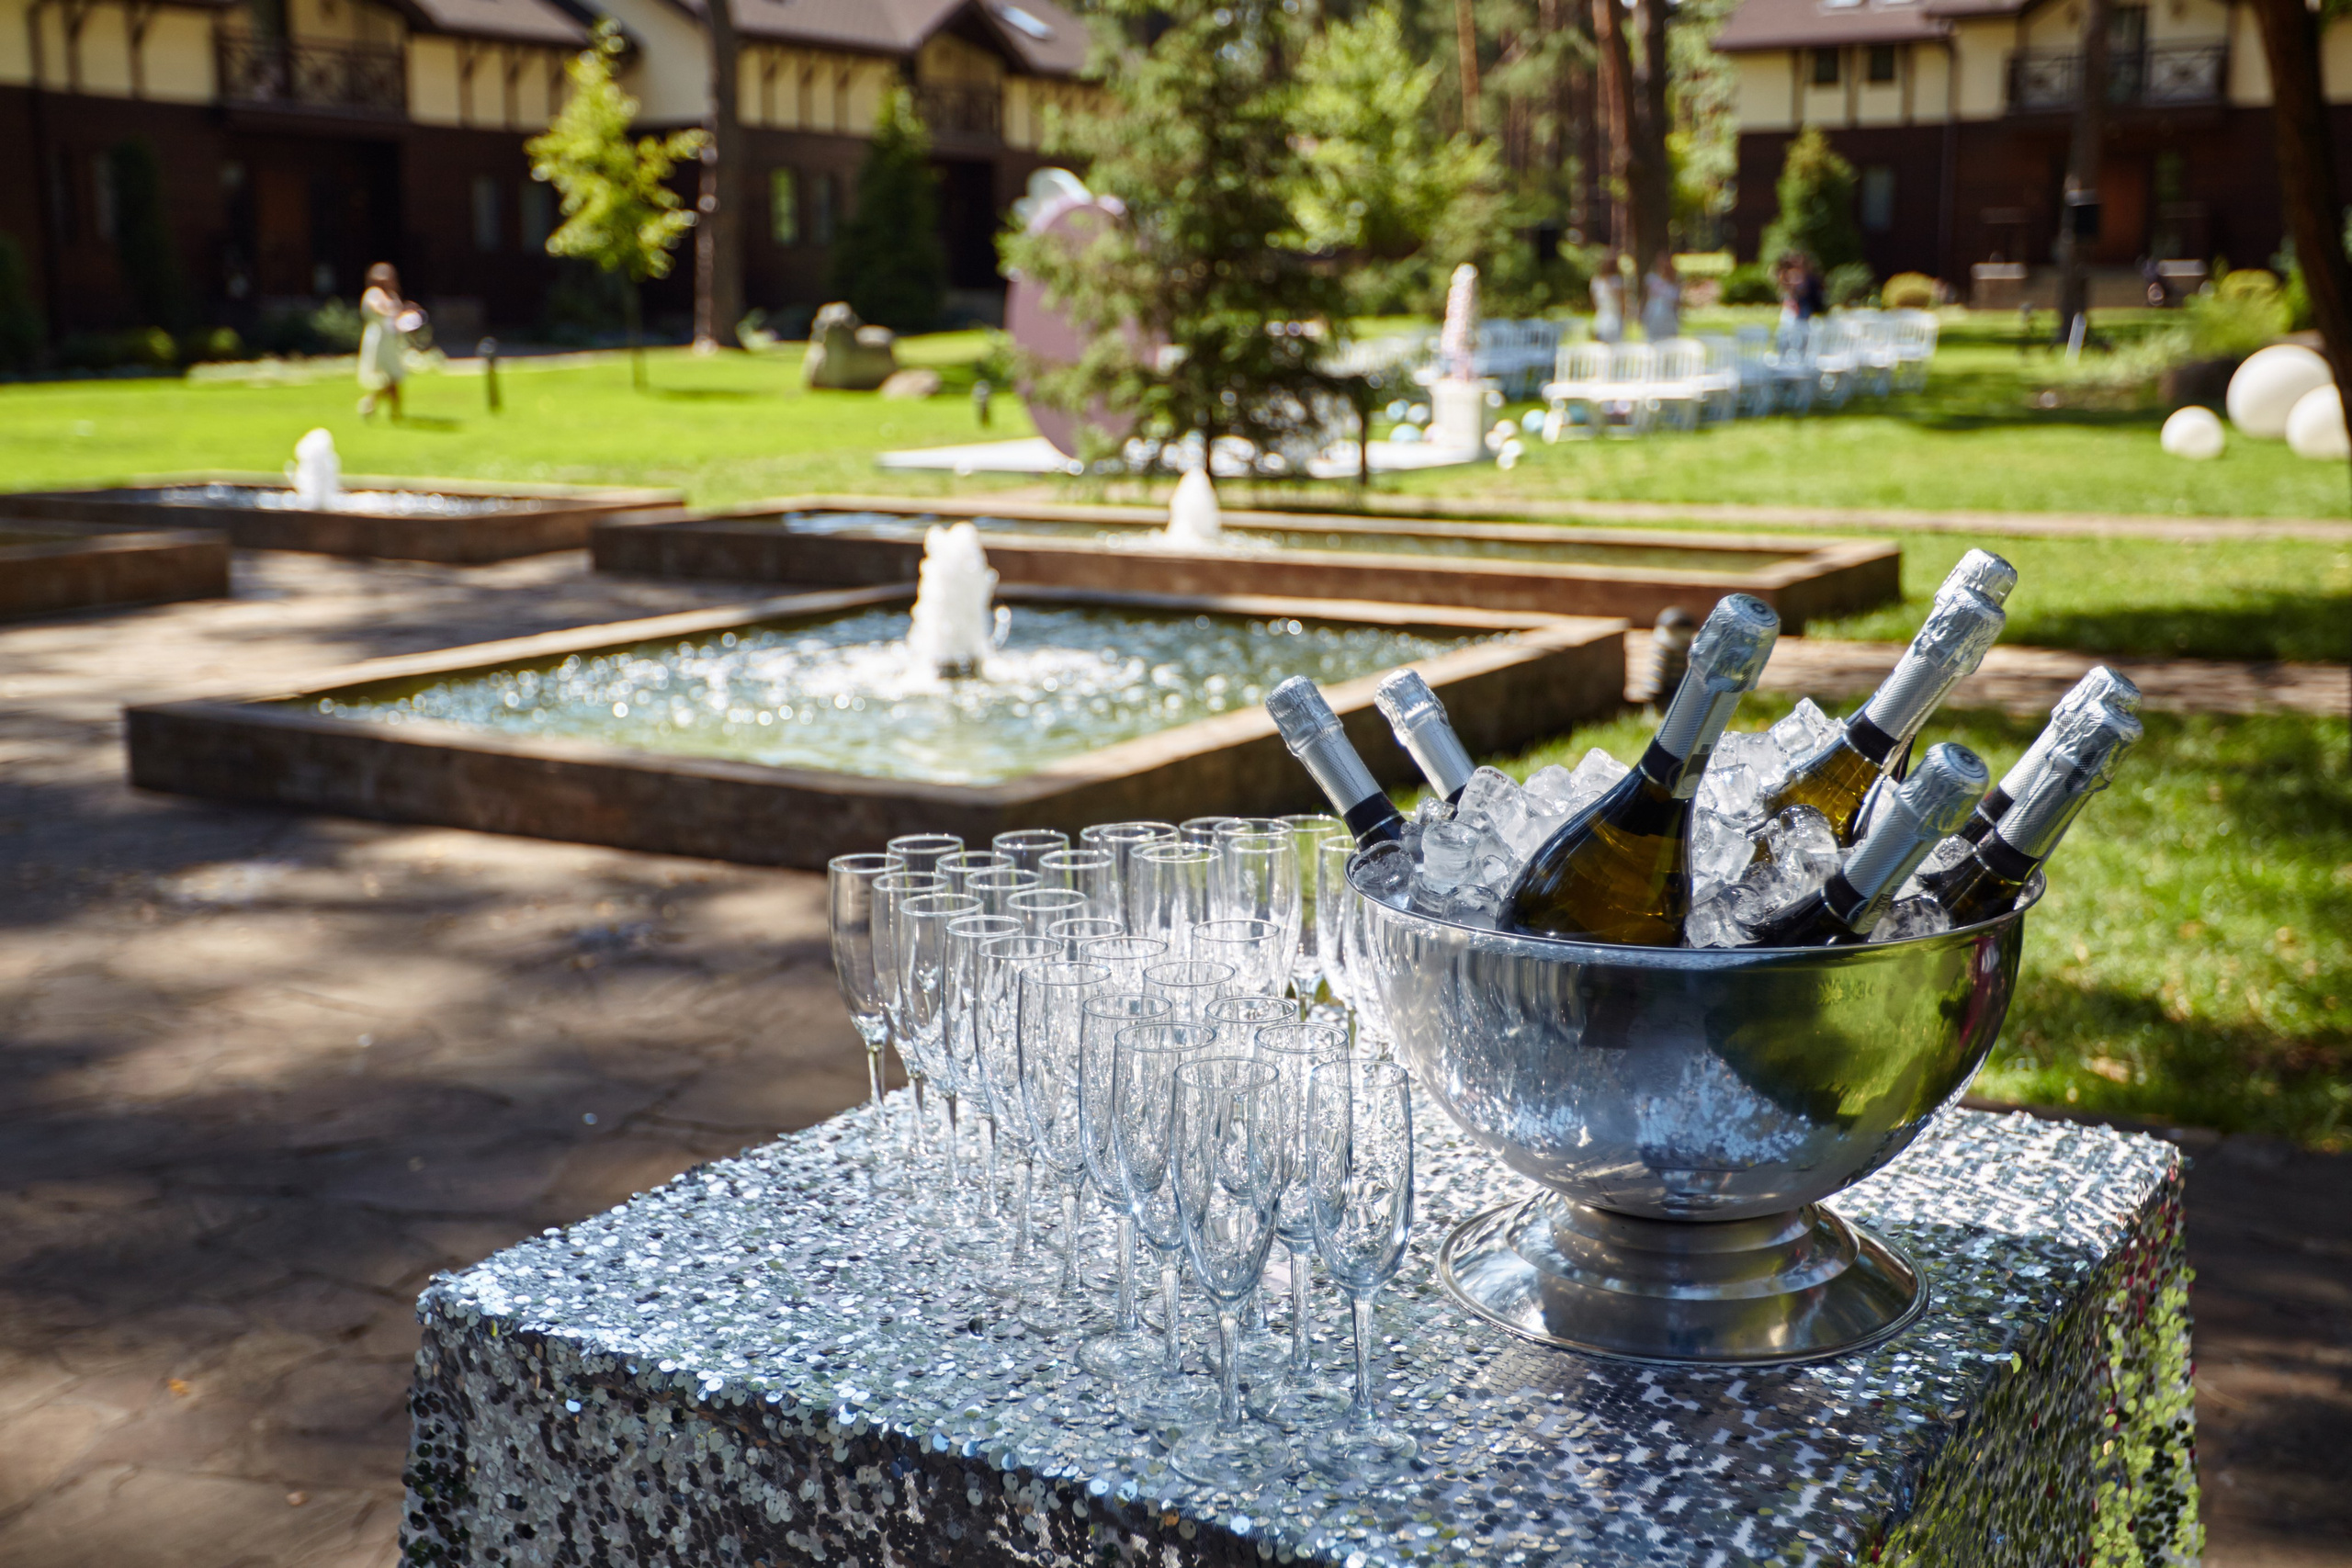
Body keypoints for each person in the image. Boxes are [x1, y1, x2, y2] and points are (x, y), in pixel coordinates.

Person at [357, 264, 424, 420]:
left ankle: (391, 410)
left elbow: (397, 317)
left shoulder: (393, 296)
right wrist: (393, 313)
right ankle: (374, 403)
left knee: (395, 376)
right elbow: (378, 310)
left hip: (392, 339)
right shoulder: (373, 294)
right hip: (379, 339)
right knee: (393, 376)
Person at [1641, 253, 1681, 344]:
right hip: (1653, 313)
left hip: (1668, 315)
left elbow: (1677, 301)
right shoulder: (1651, 278)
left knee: (1669, 341)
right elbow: (1645, 297)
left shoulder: (1675, 280)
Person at [1590, 253, 1625, 345]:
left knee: (1615, 343)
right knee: (1600, 341)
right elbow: (1594, 300)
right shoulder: (1596, 281)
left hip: (1614, 315)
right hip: (1601, 314)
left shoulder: (1617, 281)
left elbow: (1622, 300)